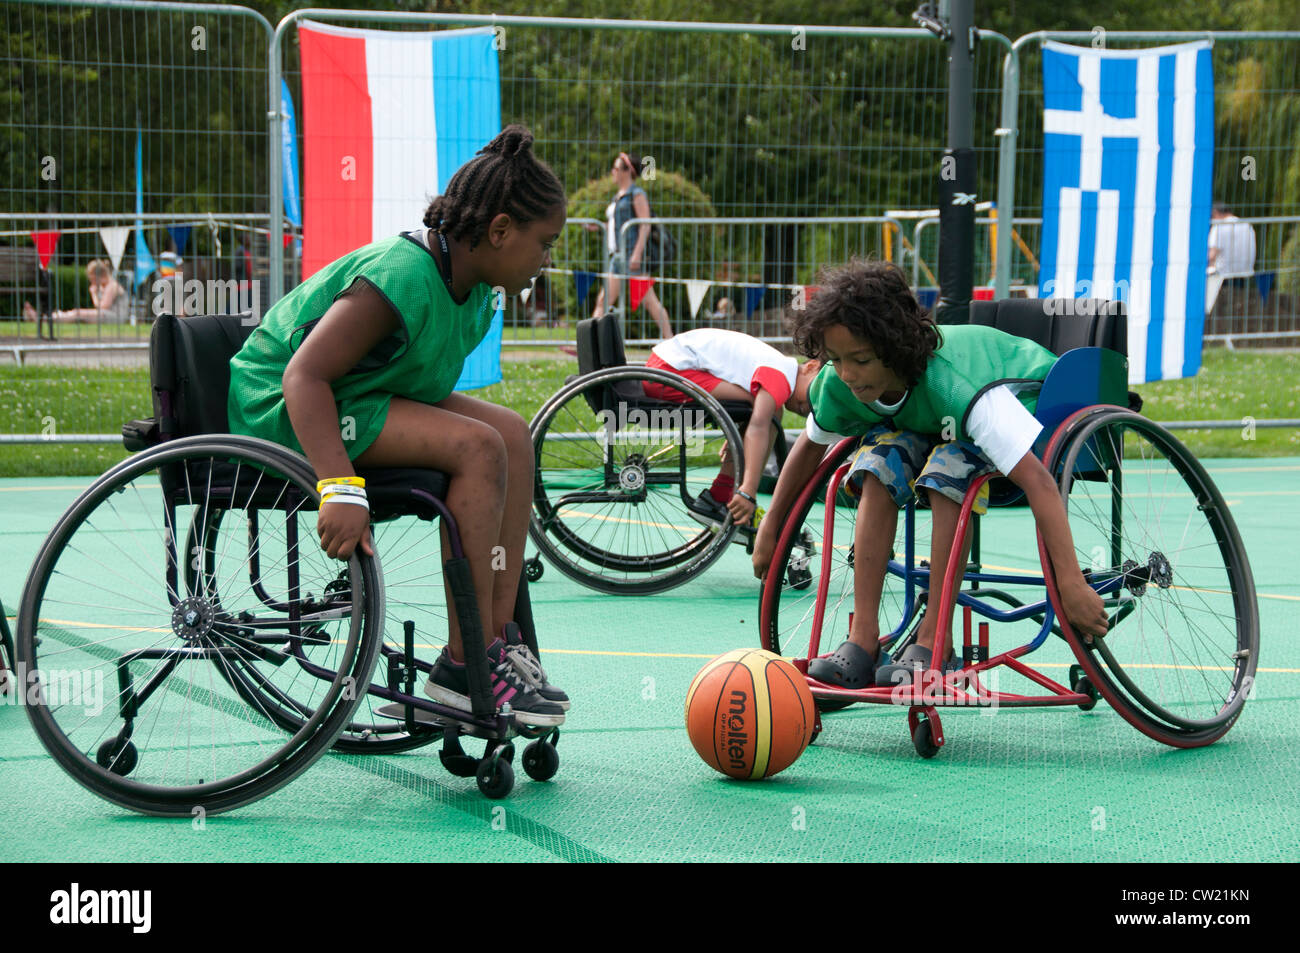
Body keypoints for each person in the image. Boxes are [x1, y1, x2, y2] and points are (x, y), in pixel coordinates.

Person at [226, 125, 570, 727]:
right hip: (284, 406)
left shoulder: (476, 287)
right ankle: (465, 664)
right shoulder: (404, 275)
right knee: (479, 447)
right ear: (498, 231)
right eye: (544, 244)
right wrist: (339, 487)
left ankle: (492, 640)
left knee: (512, 434)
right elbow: (304, 375)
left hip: (357, 394)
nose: (548, 259)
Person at [751, 259, 1109, 688]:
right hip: (933, 423)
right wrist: (771, 527)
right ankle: (862, 639)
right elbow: (809, 447)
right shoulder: (840, 383)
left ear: (894, 349)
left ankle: (937, 638)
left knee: (948, 468)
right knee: (876, 462)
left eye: (860, 360)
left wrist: (1070, 584)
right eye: (836, 359)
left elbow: (1039, 483)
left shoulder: (956, 386)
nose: (847, 374)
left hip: (1034, 407)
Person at [643, 327, 820, 527]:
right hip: (667, 372)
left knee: (769, 411)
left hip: (669, 364)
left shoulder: (778, 367)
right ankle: (727, 494)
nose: (814, 405)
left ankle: (723, 493)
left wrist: (735, 436)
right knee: (766, 413)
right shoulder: (781, 376)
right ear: (810, 366)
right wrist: (749, 491)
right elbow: (758, 427)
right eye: (818, 391)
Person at [585, 150, 673, 338]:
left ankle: (671, 340)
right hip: (618, 256)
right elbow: (619, 224)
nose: (612, 172)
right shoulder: (618, 196)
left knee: (649, 302)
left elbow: (644, 224)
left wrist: (637, 254)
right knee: (604, 300)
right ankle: (587, 343)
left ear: (627, 171)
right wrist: (600, 226)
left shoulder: (637, 194)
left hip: (631, 256)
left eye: (616, 168)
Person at [25, 259, 128, 324]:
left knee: (78, 313)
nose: (92, 283)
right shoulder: (105, 286)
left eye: (92, 279)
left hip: (115, 318)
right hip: (106, 315)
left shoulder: (112, 286)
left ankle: (43, 319)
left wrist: (94, 294)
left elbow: (103, 307)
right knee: (77, 313)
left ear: (99, 276)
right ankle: (46, 317)